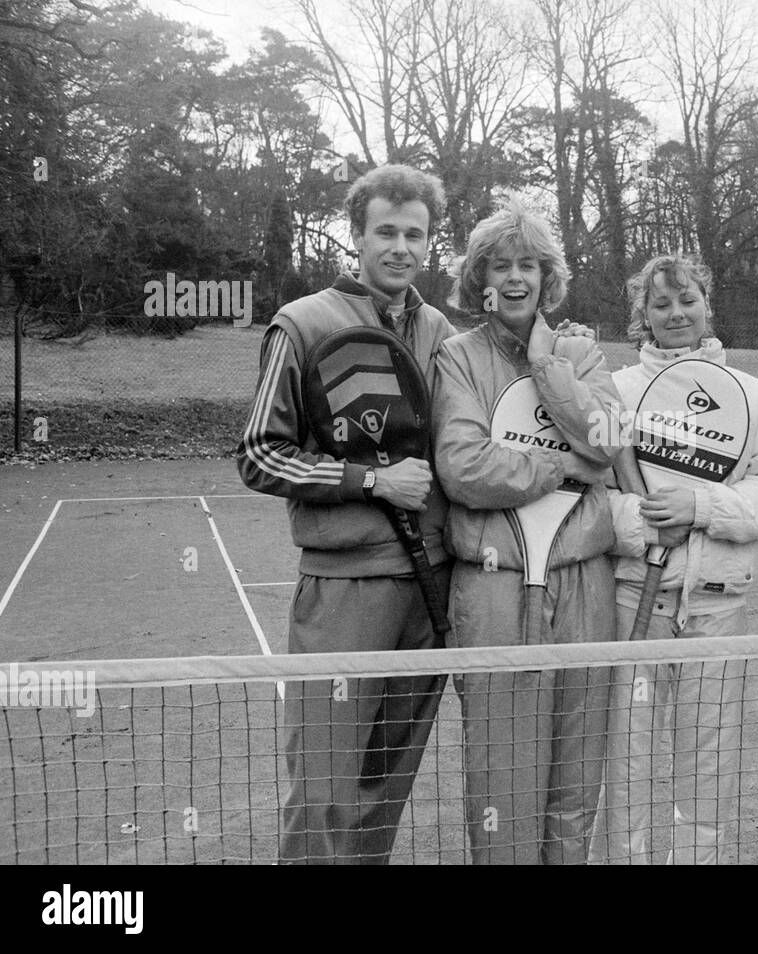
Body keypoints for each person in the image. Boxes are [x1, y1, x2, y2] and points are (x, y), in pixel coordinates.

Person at [237, 164, 456, 863]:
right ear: (356, 234)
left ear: (430, 243)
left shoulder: (441, 329)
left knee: (384, 783)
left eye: (414, 234)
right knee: (326, 783)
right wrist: (368, 480)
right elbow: (259, 455)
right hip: (344, 592)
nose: (400, 246)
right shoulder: (301, 323)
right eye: (385, 231)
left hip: (431, 590)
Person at [431, 202, 626, 865]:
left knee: (577, 773)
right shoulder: (457, 357)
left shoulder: (580, 351)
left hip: (585, 583)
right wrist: (559, 465)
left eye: (529, 266)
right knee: (502, 778)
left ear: (548, 277)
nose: (514, 279)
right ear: (477, 279)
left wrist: (549, 366)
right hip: (495, 587)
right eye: (499, 266)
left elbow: (607, 446)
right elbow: (463, 468)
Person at [589, 254, 758, 865]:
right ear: (642, 317)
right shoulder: (616, 391)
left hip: (717, 605)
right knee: (626, 757)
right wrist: (645, 523)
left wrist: (698, 505)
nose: (676, 313)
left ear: (707, 305)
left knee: (708, 763)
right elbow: (593, 496)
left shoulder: (754, 396)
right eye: (660, 304)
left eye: (687, 300)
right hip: (633, 599)